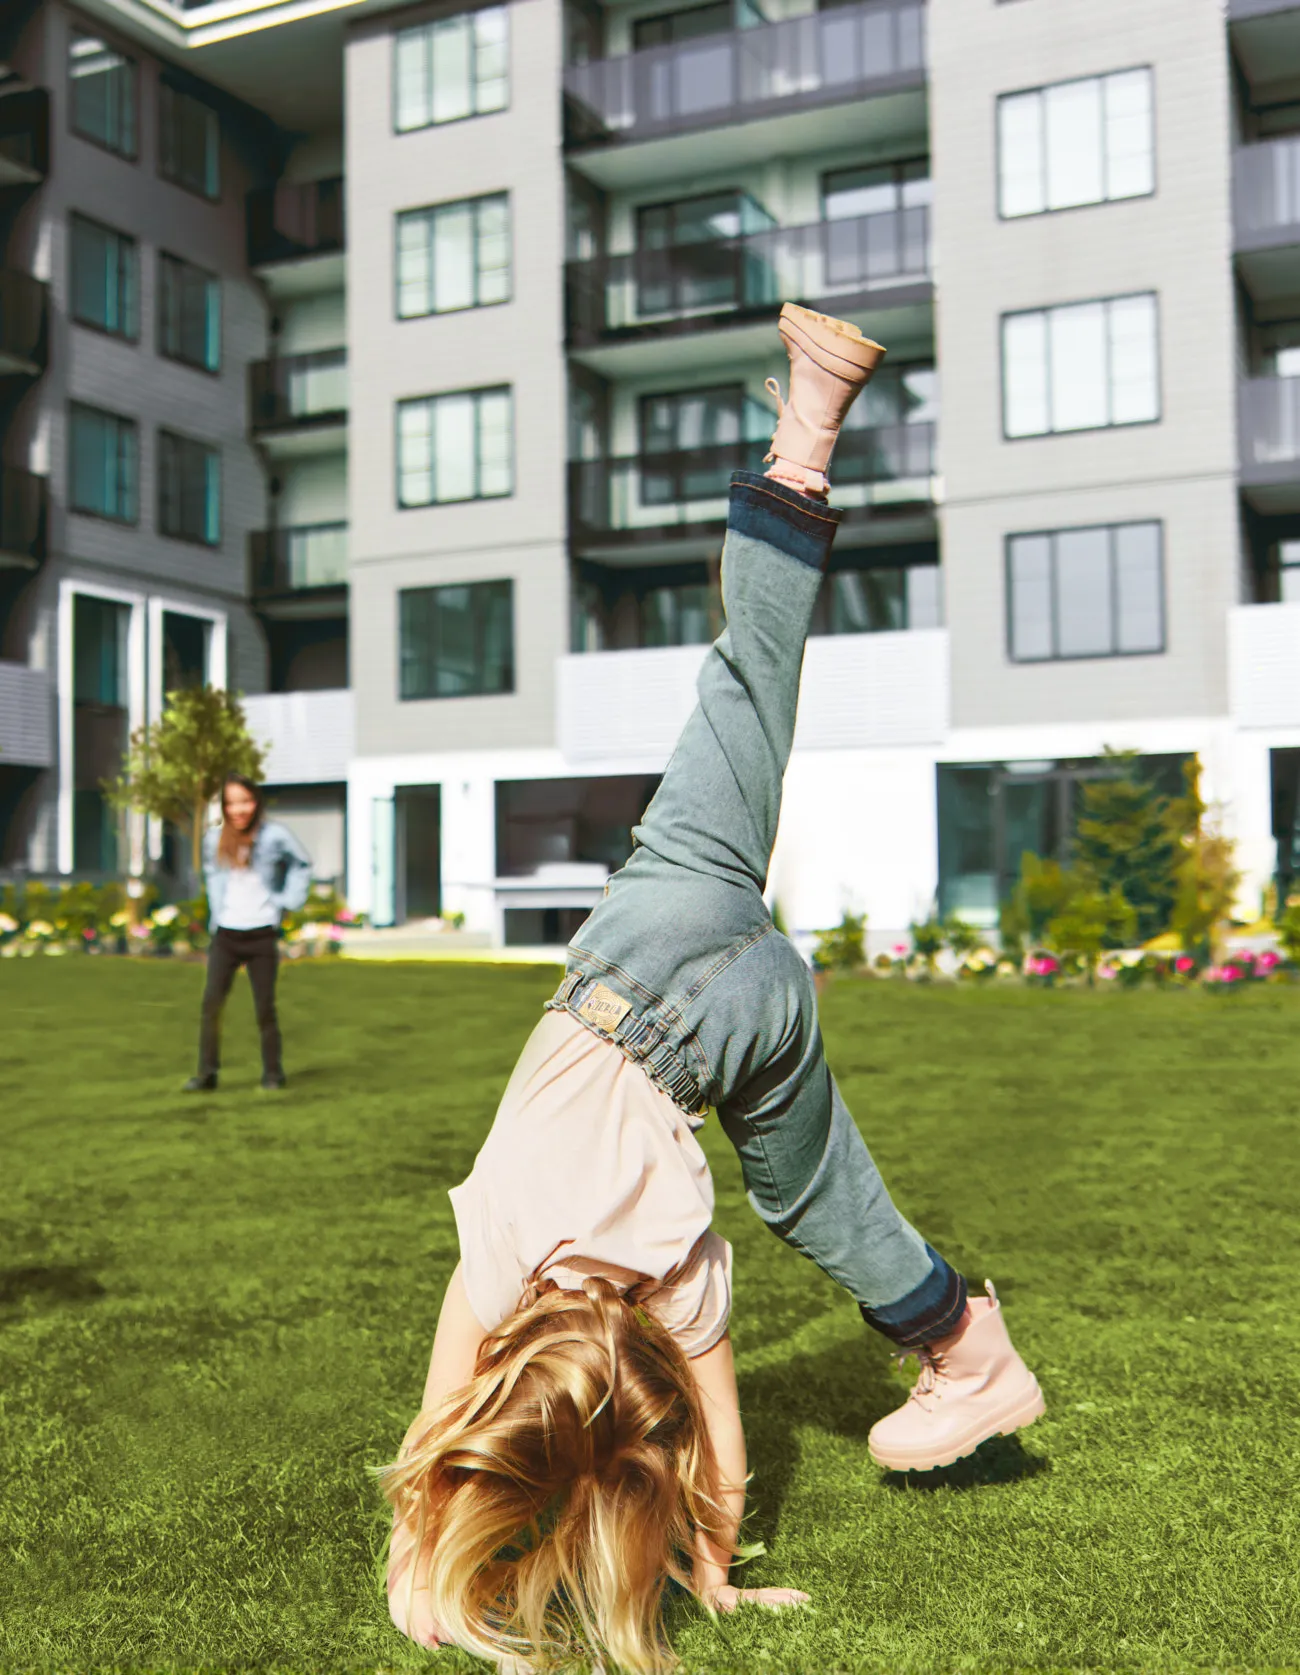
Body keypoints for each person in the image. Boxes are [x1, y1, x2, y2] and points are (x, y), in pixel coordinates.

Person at [381, 305, 1044, 1674]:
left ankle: (966, 1342)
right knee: (748, 680)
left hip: (756, 1016)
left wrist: (717, 1572)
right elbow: (443, 1415)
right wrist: (419, 1555)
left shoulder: (674, 1281)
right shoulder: (500, 1241)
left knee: (811, 1192)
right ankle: (807, 424)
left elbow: (720, 1444)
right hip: (650, 932)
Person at [184, 773, 312, 1093]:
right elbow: (213, 876)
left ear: (255, 802)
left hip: (261, 935)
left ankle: (273, 1074)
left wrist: (287, 901)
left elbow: (302, 864)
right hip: (226, 934)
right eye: (231, 803)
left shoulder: (275, 836)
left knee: (264, 1007)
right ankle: (206, 1074)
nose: (238, 809)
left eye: (244, 801)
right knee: (211, 1005)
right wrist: (218, 911)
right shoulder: (215, 839)